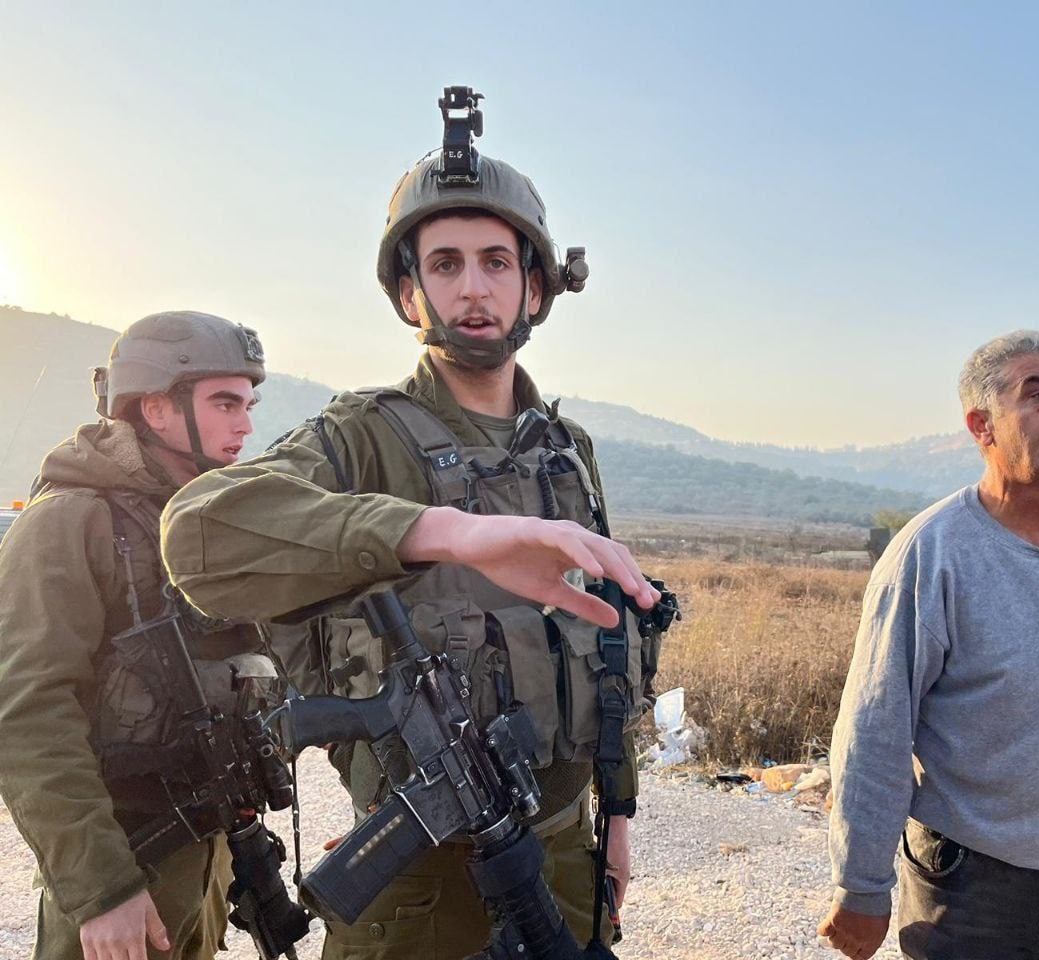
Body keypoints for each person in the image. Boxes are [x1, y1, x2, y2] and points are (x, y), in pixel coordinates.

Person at [160, 91, 662, 959]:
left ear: (535, 285)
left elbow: (605, 656)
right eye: (446, 264)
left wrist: (613, 815)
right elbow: (198, 535)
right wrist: (440, 532)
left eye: (498, 262)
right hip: (417, 888)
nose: (474, 287)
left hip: (563, 859)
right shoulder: (358, 437)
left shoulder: (565, 451)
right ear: (408, 291)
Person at [819, 330, 1039, 960]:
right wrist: (861, 887)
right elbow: (877, 728)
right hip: (971, 886)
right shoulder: (934, 553)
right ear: (982, 426)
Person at [0, 312, 268, 960]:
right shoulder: (69, 520)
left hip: (201, 871)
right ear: (156, 408)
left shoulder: (199, 521)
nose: (246, 425)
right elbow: (27, 713)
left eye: (248, 403)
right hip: (119, 877)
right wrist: (101, 890)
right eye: (225, 402)